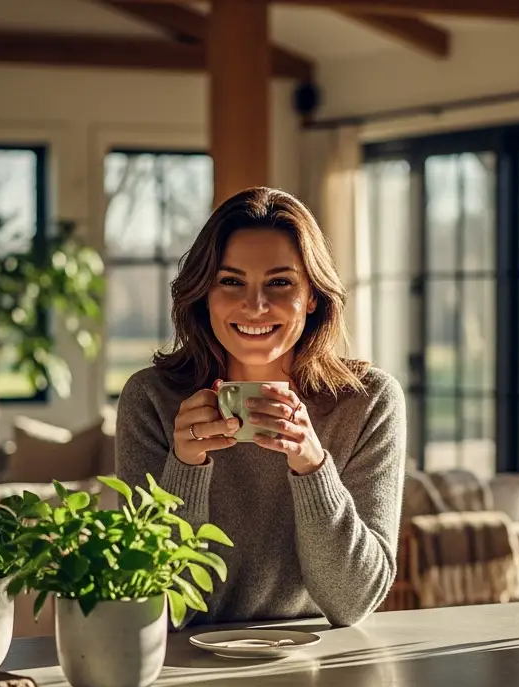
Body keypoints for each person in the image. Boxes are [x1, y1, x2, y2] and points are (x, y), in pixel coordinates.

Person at [115, 186, 406, 628]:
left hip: (321, 666)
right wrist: (186, 465)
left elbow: (353, 602)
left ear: (312, 297)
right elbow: (157, 605)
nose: (255, 305)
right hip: (185, 666)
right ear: (204, 295)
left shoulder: (369, 403)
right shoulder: (150, 400)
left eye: (280, 282)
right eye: (231, 282)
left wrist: (312, 466)